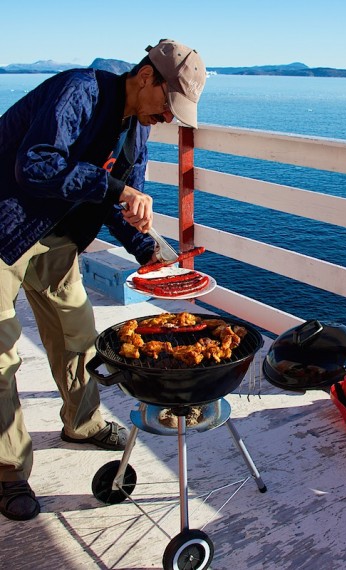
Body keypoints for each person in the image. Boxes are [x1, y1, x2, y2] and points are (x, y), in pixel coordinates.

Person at [0, 39, 206, 521]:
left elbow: (117, 201)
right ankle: (8, 471)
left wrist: (147, 251)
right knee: (0, 357)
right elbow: (35, 163)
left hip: (57, 238)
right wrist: (116, 187)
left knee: (77, 336)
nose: (169, 117)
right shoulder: (80, 91)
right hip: (5, 226)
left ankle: (84, 424)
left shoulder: (138, 130)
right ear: (146, 76)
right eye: (168, 104)